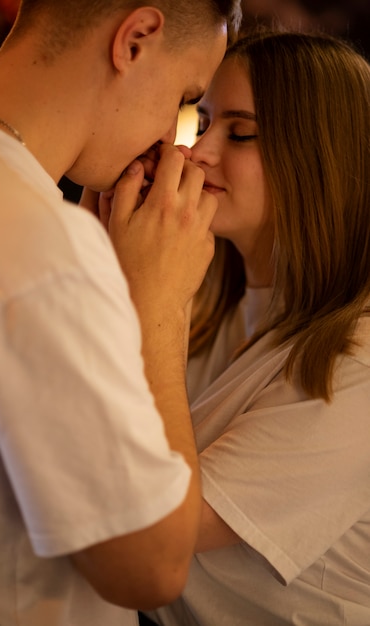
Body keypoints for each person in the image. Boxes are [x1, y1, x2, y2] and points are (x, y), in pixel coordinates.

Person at [0, 1, 243, 624]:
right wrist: (158, 304)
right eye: (187, 98)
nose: (175, 139)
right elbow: (153, 567)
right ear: (135, 40)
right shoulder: (39, 242)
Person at [143, 31, 370, 626]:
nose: (196, 152)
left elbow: (168, 528)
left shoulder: (358, 360)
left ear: (320, 159)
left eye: (240, 133)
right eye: (203, 121)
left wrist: (152, 302)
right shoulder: (217, 300)